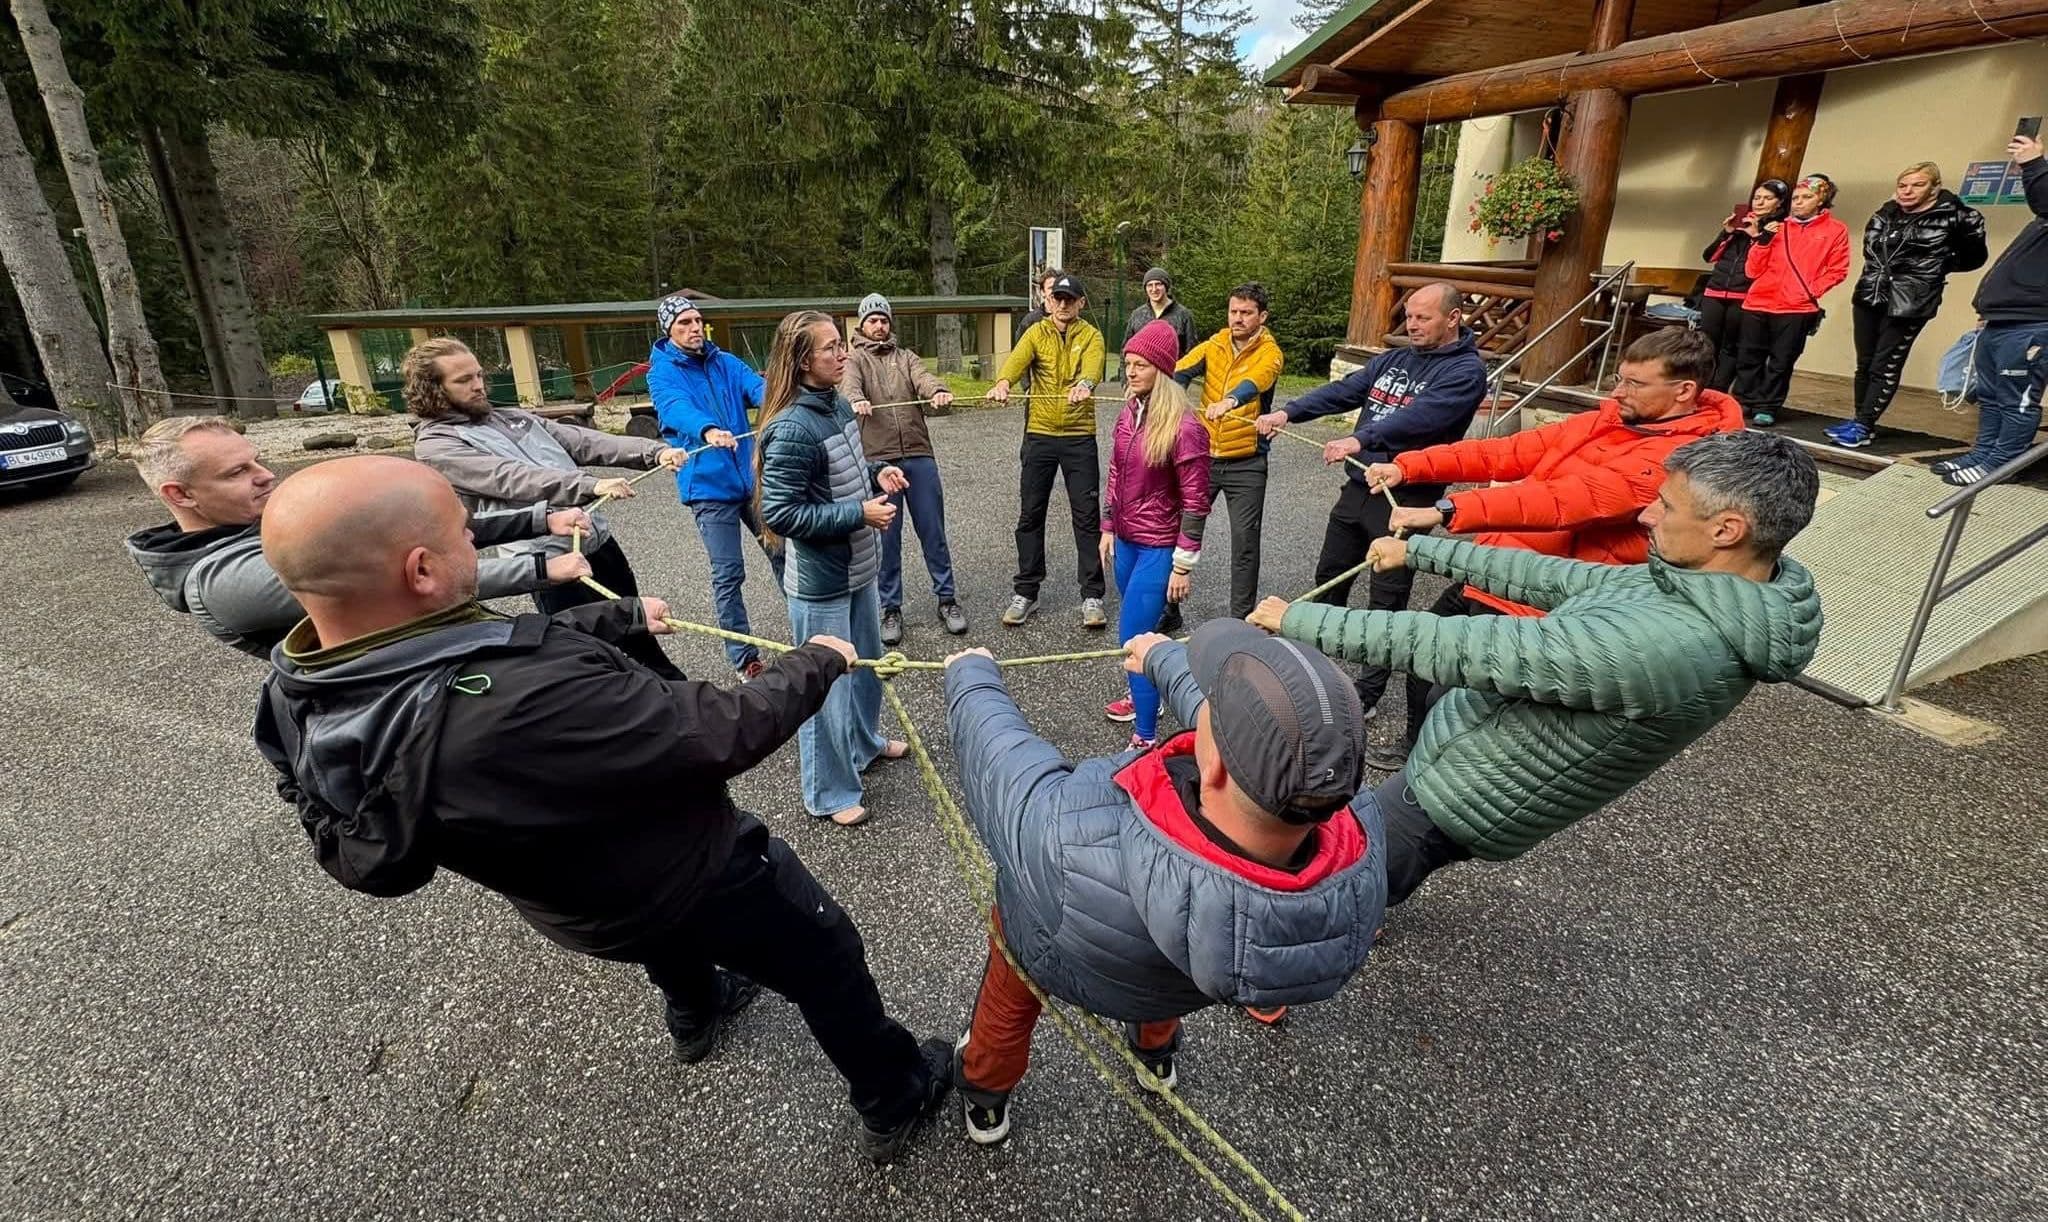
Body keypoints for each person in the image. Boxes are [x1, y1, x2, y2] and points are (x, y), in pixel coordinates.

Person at [250, 455, 953, 1163]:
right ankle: (895, 1092)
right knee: (826, 957)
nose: (475, 542)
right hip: (698, 874)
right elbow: (716, 731)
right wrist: (817, 660)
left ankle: (697, 1010)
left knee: (660, 937)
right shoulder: (519, 703)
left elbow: (489, 652)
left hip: (580, 906)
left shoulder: (297, 688)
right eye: (465, 532)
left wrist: (619, 616)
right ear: (422, 570)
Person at [1250, 429, 1823, 907]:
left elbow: (1463, 647)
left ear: (1727, 530)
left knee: (1344, 877)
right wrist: (1424, 550)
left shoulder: (1675, 642)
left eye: (1667, 506)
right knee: (1356, 850)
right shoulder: (1700, 585)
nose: (1647, 515)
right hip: (1468, 758)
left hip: (1475, 792)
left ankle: (1314, 945)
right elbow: (1559, 578)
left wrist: (1302, 619)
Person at [942, 620, 1385, 1145]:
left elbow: (1006, 771)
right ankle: (1155, 1057)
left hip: (1057, 948)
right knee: (1172, 962)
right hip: (1176, 977)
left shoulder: (1068, 835)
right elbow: (1258, 744)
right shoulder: (1358, 843)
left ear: (1213, 764)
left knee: (1009, 994)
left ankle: (986, 1091)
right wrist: (1162, 660)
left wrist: (971, 677)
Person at [1361, 327, 1742, 771]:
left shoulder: (1683, 457)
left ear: (1684, 391)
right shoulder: (1609, 419)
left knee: (1461, 704)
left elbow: (1568, 500)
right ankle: (1415, 752)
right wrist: (1409, 467)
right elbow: (1510, 451)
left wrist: (1446, 510)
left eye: (1635, 383)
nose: (1618, 392)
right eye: (1618, 378)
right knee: (1425, 660)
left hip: (1542, 598)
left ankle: (1439, 776)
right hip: (1497, 569)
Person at [127, 415, 595, 659]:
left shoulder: (259, 525)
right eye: (237, 472)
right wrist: (541, 568)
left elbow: (406, 532)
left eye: (257, 460)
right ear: (180, 495)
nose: (266, 475)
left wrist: (538, 520)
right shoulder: (223, 582)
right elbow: (398, 578)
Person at [1254, 282, 1485, 717]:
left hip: (1406, 500)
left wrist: (1361, 439)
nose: (1412, 325)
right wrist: (1288, 412)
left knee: (1387, 600)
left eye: (1423, 317)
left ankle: (1367, 695)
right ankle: (1315, 675)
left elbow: (1420, 419)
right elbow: (1346, 390)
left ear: (1453, 318)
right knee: (1330, 578)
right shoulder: (1395, 359)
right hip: (1359, 487)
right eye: (1409, 316)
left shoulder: (1465, 372)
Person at [405, 338, 689, 679]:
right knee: (589, 653)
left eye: (479, 375)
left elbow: (582, 440)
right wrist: (588, 485)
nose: (478, 385)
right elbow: (512, 478)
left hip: (595, 541)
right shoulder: (437, 445)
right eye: (464, 380)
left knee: (639, 629)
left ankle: (673, 690)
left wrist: (652, 451)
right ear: (433, 389)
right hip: (550, 563)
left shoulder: (511, 417)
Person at [754, 311, 912, 828]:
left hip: (859, 568)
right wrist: (858, 513)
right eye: (830, 348)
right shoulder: (791, 429)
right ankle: (827, 791)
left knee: (865, 666)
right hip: (822, 582)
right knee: (824, 689)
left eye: (841, 344)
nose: (843, 354)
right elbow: (780, 514)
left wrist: (877, 473)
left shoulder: (838, 404)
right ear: (802, 361)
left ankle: (863, 746)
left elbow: (845, 472)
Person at [646, 294, 786, 679]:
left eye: (697, 321)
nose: (694, 328)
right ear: (669, 331)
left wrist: (784, 405)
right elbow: (675, 407)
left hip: (750, 480)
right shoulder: (661, 372)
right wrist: (707, 429)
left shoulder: (724, 361)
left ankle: (809, 628)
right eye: (684, 323)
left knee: (782, 553)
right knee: (729, 573)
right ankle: (744, 658)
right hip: (708, 489)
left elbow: (758, 388)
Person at [1099, 320, 1210, 749]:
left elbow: (1197, 501)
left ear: (1161, 370)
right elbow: (1114, 472)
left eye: (1140, 364)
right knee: (1137, 633)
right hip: (1125, 540)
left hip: (1158, 547)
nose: (1130, 371)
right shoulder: (1129, 412)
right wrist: (1108, 525)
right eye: (1127, 362)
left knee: (1133, 640)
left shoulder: (1185, 427)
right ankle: (1146, 695)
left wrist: (1183, 565)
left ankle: (1145, 738)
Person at [1827, 163, 1989, 450]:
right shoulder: (1886, 213)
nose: (1908, 191)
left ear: (1934, 188)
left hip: (1911, 300)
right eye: (1903, 185)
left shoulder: (1960, 216)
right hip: (1871, 293)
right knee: (1865, 363)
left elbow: (1974, 257)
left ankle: (1864, 425)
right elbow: (1870, 249)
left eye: (1917, 185)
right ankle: (1859, 420)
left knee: (1885, 364)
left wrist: (1932, 268)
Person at [841, 292, 967, 645]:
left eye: (884, 320)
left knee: (933, 532)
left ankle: (947, 600)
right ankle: (891, 608)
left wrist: (936, 390)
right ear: (862, 325)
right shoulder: (854, 359)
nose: (879, 326)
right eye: (873, 320)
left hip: (918, 453)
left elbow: (923, 378)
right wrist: (856, 399)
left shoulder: (906, 357)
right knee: (887, 539)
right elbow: (848, 387)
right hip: (879, 461)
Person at [987, 273, 1109, 630]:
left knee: (1086, 516)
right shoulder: (1036, 332)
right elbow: (1017, 360)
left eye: (1070, 299)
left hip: (1079, 436)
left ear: (1081, 303)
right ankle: (1026, 591)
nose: (1063, 304)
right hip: (1039, 434)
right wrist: (1003, 383)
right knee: (1030, 514)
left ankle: (1092, 595)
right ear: (1049, 301)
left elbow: (1094, 366)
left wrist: (1085, 384)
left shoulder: (1092, 335)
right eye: (1058, 298)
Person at [1938, 132, 2048, 487]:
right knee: (1991, 395)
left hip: (2033, 324)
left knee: (2016, 399)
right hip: (2003, 321)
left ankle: (2002, 464)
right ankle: (1984, 453)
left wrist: (2033, 164)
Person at [1170, 282, 1285, 622]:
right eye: (1233, 311)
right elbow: (1180, 370)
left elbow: (1257, 381)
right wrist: (1174, 398)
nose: (1237, 318)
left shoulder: (1271, 352)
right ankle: (1169, 609)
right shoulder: (1215, 344)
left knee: (1245, 543)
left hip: (1246, 462)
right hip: (1202, 458)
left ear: (1262, 317)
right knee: (1180, 531)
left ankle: (1240, 621)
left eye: (1246, 312)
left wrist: (1231, 400)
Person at [1730, 173, 1851, 427]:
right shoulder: (1777, 226)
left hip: (1797, 306)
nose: (1798, 202)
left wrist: (1810, 291)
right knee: (1748, 356)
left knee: (1781, 360)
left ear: (1821, 200)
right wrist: (1762, 241)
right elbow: (1752, 271)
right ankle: (1744, 400)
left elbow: (1838, 269)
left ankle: (1767, 406)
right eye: (1795, 198)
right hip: (1758, 301)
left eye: (1806, 197)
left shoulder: (1835, 230)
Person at [1697, 180, 1788, 391]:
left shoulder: (1777, 229)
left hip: (1744, 295)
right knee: (1706, 343)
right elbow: (1709, 257)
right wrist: (1727, 232)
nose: (1760, 202)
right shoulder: (1740, 223)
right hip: (1715, 291)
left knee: (1731, 345)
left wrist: (1757, 236)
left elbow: (1769, 263)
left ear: (1779, 203)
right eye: (1757, 198)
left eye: (1767, 198)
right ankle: (1700, 386)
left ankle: (1718, 390)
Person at [1122, 266, 1200, 356]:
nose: (1154, 289)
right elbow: (1126, 349)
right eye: (1150, 285)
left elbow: (1192, 352)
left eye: (1158, 284)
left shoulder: (1183, 315)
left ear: (1166, 286)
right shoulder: (1137, 315)